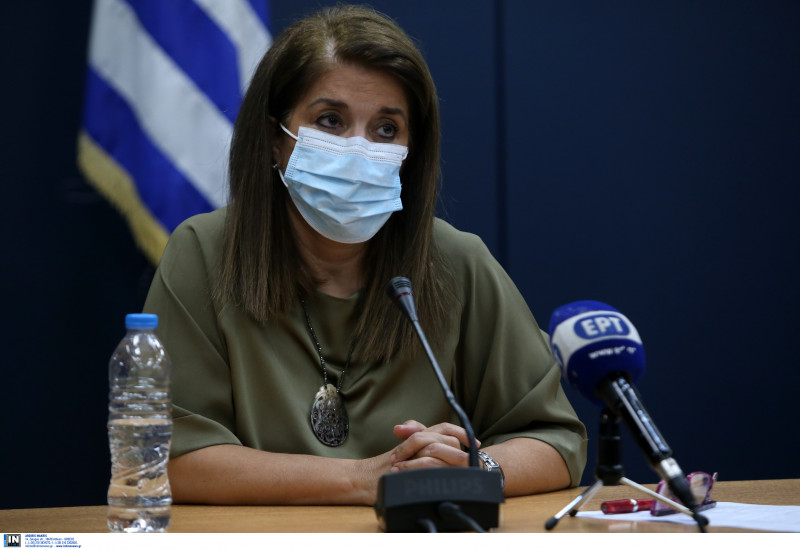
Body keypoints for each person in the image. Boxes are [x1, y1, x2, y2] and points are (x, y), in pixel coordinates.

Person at [143, 4, 587, 506]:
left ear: (410, 152)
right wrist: (366, 479)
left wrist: (473, 469)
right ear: (274, 139)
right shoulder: (204, 253)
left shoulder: (456, 262)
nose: (358, 148)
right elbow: (170, 460)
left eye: (386, 129)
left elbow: (555, 440)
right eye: (330, 120)